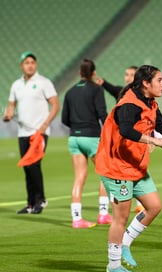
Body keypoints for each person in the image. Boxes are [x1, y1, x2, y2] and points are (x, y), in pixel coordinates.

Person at [95, 65, 162, 272]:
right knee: (120, 218)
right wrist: (152, 140)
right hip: (116, 167)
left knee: (154, 206)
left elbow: (159, 122)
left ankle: (125, 243)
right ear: (146, 83)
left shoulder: (150, 102)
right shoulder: (129, 104)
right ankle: (113, 267)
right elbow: (126, 130)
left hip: (135, 165)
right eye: (160, 80)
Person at [3, 51, 60, 214]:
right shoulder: (16, 85)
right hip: (22, 132)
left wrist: (45, 125)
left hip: (39, 132)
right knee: (27, 167)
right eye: (27, 62)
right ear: (21, 66)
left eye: (32, 62)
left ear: (36, 65)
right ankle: (30, 203)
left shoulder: (44, 83)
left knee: (34, 165)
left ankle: (40, 200)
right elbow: (11, 105)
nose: (30, 65)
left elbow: (55, 105)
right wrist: (8, 114)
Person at [61, 59, 113, 228]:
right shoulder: (96, 90)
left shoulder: (69, 92)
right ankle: (103, 214)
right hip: (92, 137)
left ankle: (77, 219)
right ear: (94, 73)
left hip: (74, 138)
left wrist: (77, 127)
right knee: (105, 174)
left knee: (79, 178)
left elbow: (64, 119)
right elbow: (102, 114)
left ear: (80, 73)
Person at [96, 65, 145, 214]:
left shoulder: (141, 95)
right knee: (112, 171)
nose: (129, 77)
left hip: (134, 139)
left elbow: (151, 118)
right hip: (120, 139)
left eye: (132, 74)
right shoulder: (124, 93)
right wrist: (103, 82)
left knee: (136, 169)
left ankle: (137, 202)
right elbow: (112, 88)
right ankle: (105, 209)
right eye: (127, 74)